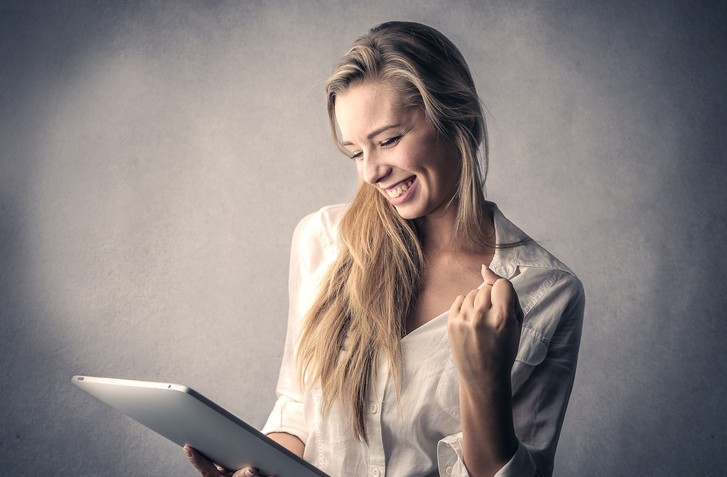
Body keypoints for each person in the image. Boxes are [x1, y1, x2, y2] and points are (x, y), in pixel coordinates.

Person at [186, 21, 584, 477]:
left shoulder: (546, 293)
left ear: (461, 121)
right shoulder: (323, 240)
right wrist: (254, 469)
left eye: (389, 140)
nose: (372, 172)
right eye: (356, 153)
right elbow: (297, 410)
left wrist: (482, 382)